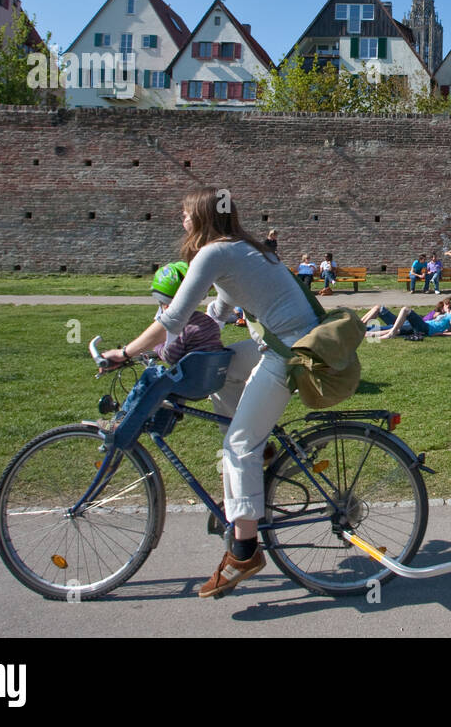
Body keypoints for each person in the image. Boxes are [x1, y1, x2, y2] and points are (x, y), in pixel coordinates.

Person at [103, 186, 316, 598]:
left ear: (201, 217)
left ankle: (244, 550)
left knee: (238, 445)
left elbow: (175, 319)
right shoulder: (240, 248)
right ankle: (264, 451)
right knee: (220, 369)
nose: (181, 220)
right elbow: (217, 312)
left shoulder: (214, 253)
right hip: (284, 342)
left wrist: (125, 352)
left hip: (290, 351)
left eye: (185, 214)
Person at [97, 261, 226, 433]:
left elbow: (171, 355)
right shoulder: (206, 321)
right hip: (210, 381)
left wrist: (158, 348)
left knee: (153, 375)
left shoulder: (185, 326)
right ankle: (160, 427)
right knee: (167, 386)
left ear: (167, 304)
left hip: (192, 382)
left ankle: (120, 421)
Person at [360, 299, 451, 339]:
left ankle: (391, 334)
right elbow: (445, 327)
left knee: (405, 310)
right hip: (425, 325)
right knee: (380, 310)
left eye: (445, 304)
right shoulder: (444, 315)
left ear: (448, 305)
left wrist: (439, 334)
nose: (443, 306)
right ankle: (361, 328)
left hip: (427, 328)